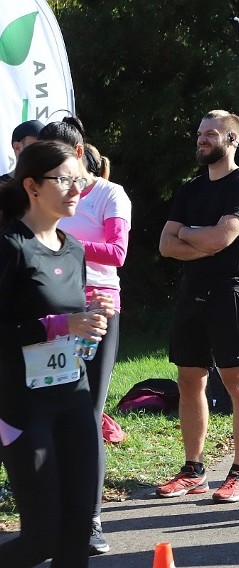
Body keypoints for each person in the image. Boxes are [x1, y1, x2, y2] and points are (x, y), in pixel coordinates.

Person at [0, 140, 114, 565]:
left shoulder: (74, 248)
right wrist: (60, 325)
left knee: (77, 531)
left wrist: (90, 325)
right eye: (64, 180)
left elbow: (70, 330)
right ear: (31, 185)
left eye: (79, 181)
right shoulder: (10, 247)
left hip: (73, 400)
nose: (75, 191)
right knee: (42, 538)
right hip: (24, 408)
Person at [157, 110, 239, 504]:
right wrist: (194, 238)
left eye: (211, 134)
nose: (201, 139)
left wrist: (188, 235)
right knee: (189, 381)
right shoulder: (190, 189)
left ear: (232, 139)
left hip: (229, 292)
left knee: (238, 383)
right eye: (200, 133)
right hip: (191, 293)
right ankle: (194, 470)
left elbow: (222, 238)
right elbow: (166, 246)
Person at [39, 117, 132, 554]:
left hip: (97, 306)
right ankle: (53, 514)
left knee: (89, 414)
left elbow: (117, 252)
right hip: (53, 310)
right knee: (51, 408)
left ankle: (90, 519)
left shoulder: (109, 195)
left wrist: (62, 241)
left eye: (57, 161)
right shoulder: (49, 198)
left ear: (78, 155)